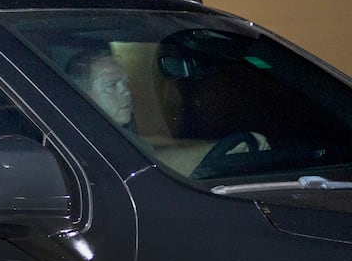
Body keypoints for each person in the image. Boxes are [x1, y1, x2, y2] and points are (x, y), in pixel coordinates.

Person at [66, 50, 269, 177]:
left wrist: (224, 145)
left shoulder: (119, 135)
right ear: (83, 94)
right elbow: (149, 167)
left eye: (126, 83)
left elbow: (154, 155)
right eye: (112, 85)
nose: (126, 91)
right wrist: (219, 147)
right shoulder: (79, 142)